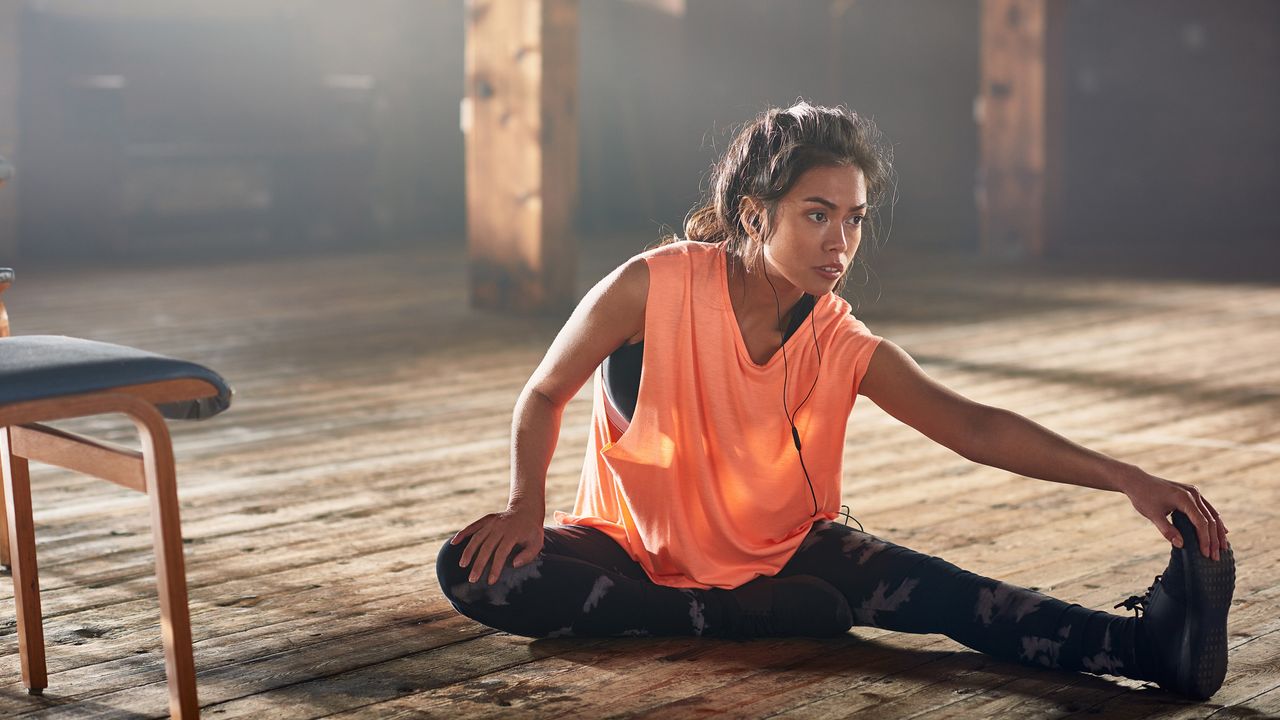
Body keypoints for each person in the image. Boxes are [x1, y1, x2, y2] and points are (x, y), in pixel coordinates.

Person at [436, 101, 1235, 700]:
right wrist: (522, 504)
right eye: (817, 216)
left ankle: (1147, 650)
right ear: (755, 214)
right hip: (628, 549)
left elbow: (972, 426)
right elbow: (544, 392)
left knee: (958, 598)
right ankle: (722, 618)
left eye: (853, 220)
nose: (840, 244)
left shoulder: (840, 339)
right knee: (475, 572)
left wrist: (1126, 476)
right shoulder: (655, 283)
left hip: (786, 561)